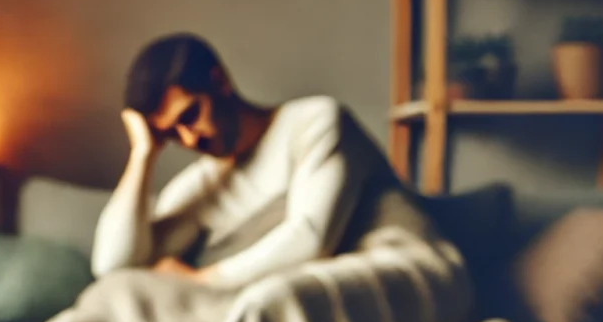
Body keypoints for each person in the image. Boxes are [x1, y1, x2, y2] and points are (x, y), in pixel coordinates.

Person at [92, 33, 431, 290]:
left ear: (218, 82)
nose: (190, 139)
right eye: (171, 135)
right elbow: (113, 267)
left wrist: (201, 281)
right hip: (293, 293)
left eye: (190, 115)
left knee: (267, 302)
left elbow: (312, 240)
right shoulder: (203, 185)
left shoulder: (314, 121)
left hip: (398, 275)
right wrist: (143, 154)